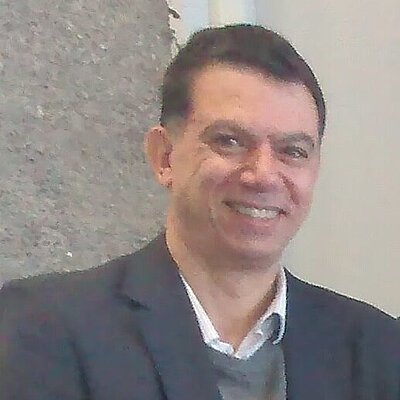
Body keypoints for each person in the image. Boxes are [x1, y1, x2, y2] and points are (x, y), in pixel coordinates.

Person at [0, 24, 399, 400]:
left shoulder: (377, 349)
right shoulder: (46, 329)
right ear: (164, 157)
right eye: (230, 141)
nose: (263, 174)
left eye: (292, 151)